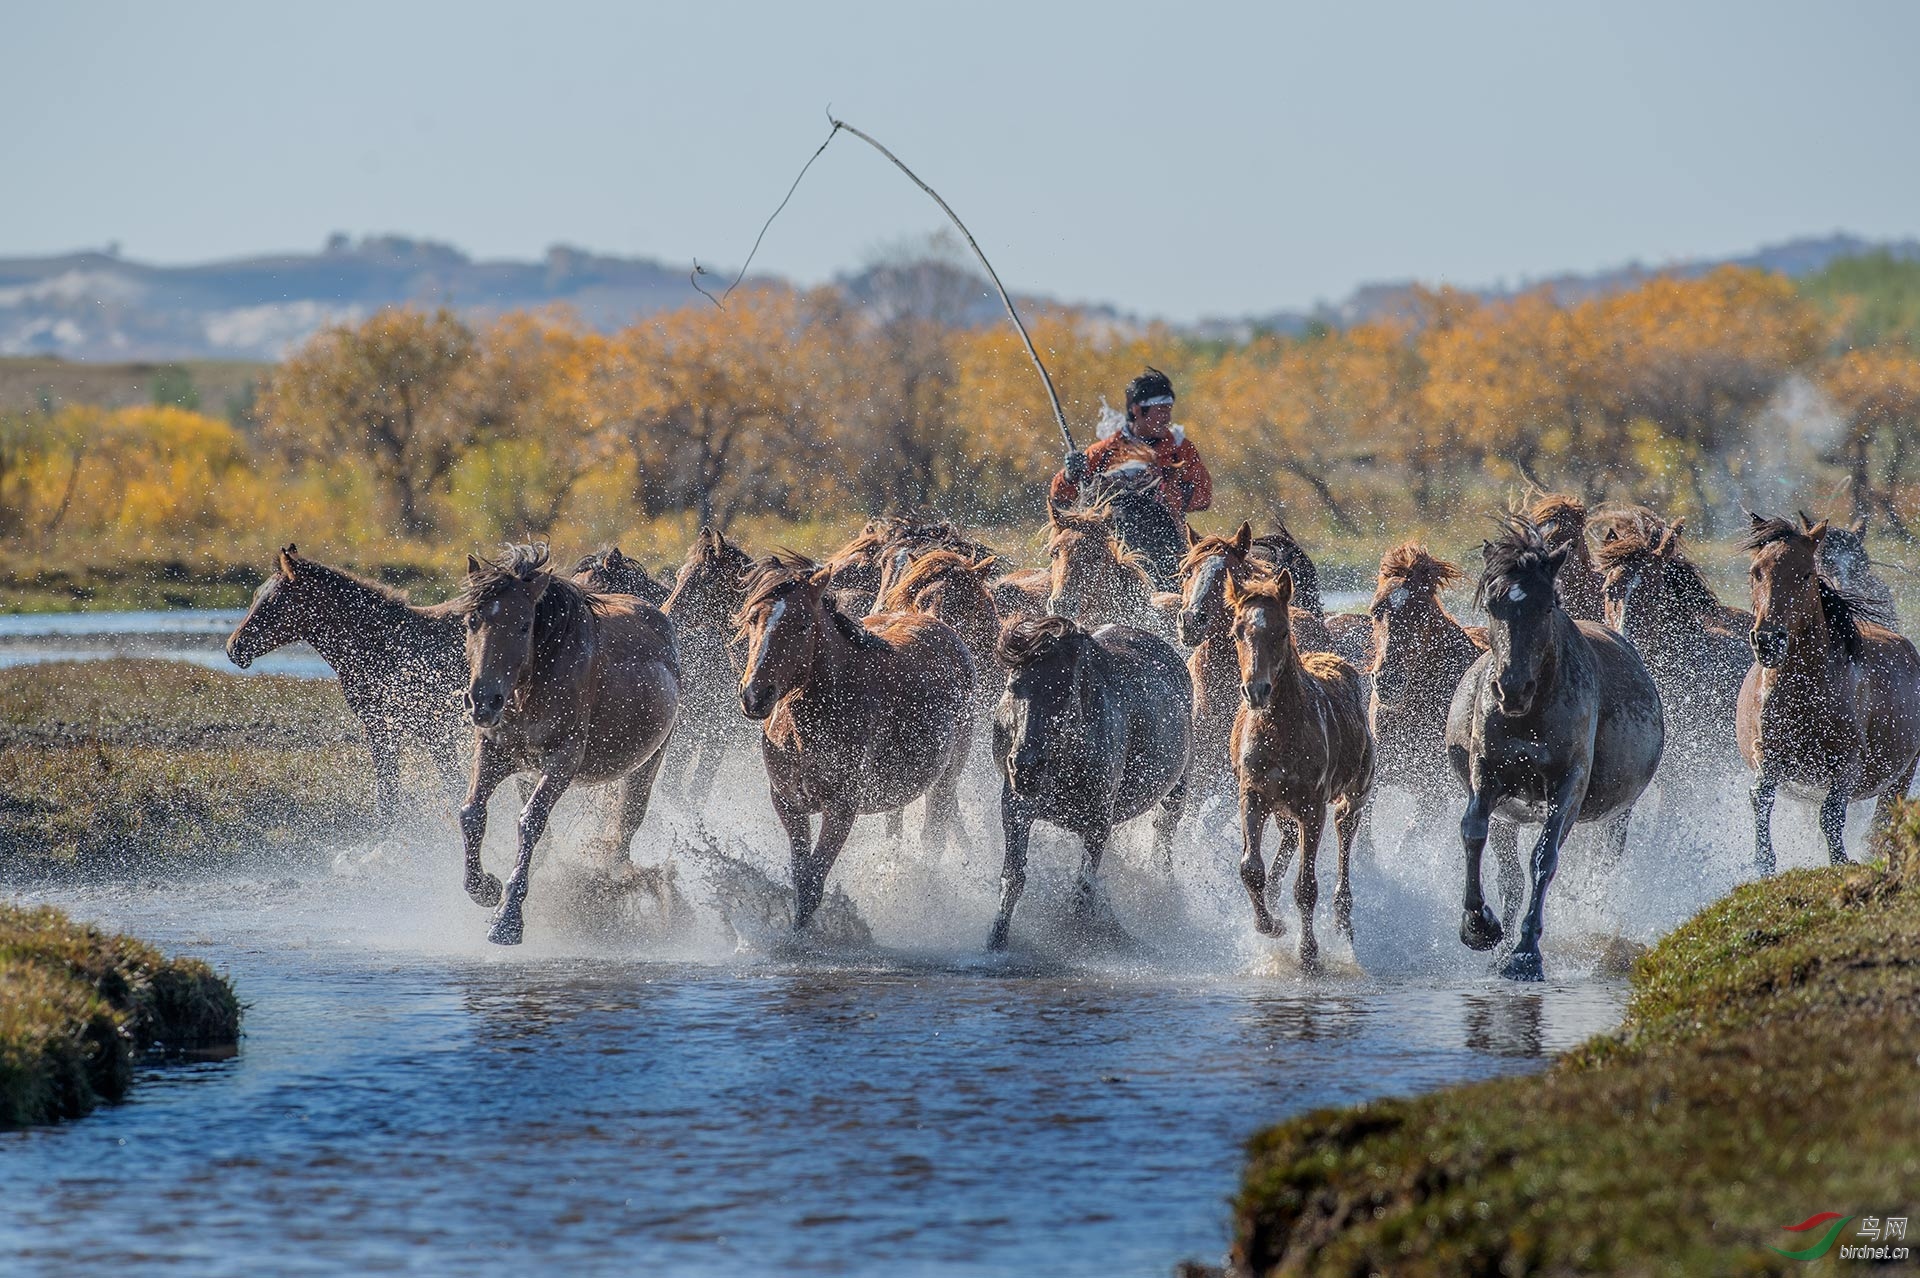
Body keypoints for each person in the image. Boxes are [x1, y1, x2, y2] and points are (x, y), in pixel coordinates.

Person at [1049, 367, 1213, 520]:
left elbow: (1204, 496)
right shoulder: (1103, 452)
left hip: (1168, 532)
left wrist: (1169, 494)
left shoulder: (1180, 450)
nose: (1167, 418)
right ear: (1137, 410)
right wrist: (1069, 476)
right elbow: (1060, 499)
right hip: (1111, 535)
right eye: (1161, 411)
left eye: (1169, 410)